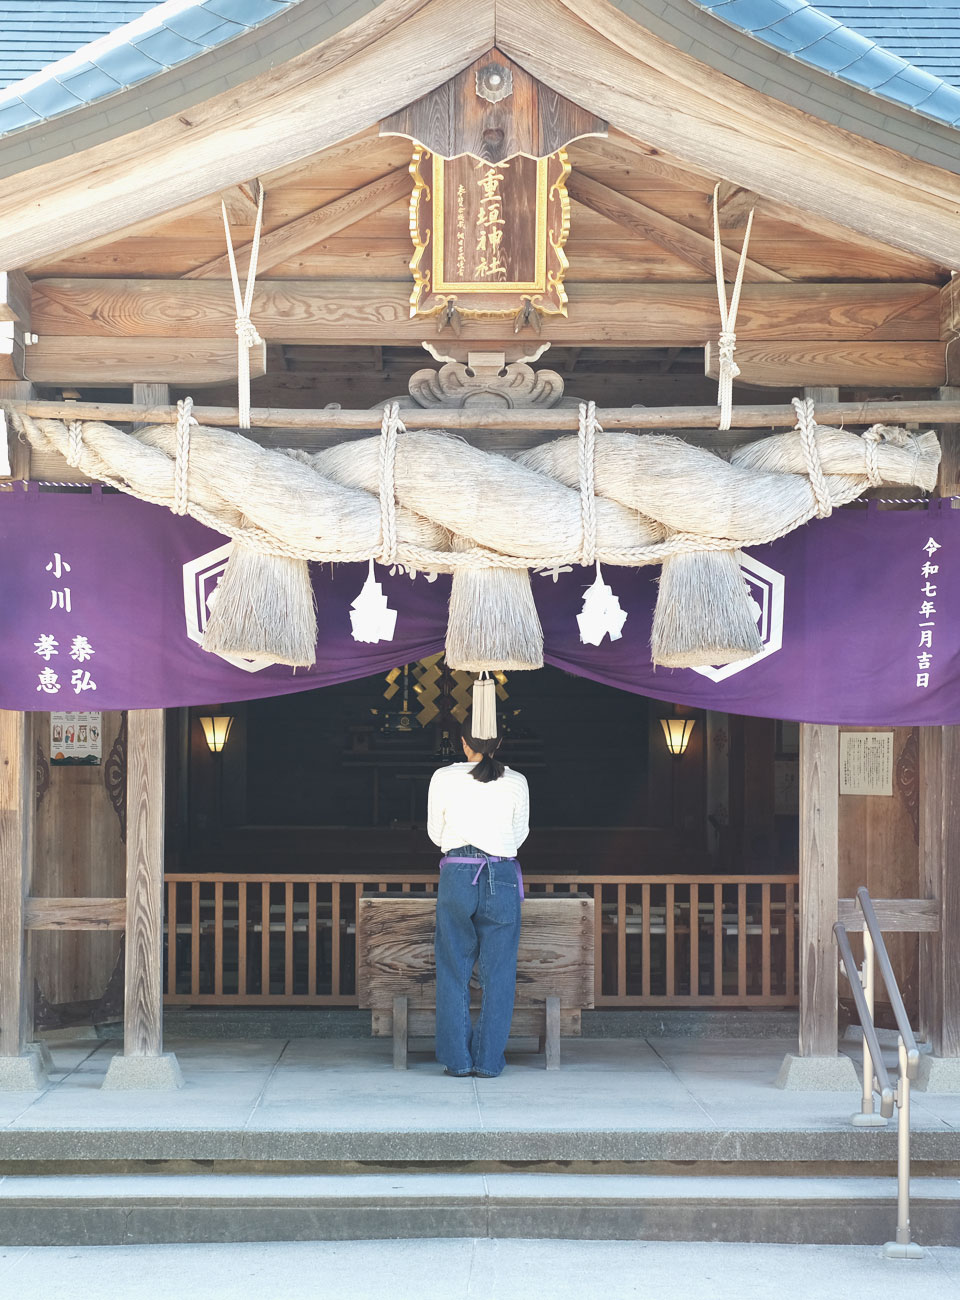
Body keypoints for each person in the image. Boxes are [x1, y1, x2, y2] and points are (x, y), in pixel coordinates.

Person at [427, 725, 529, 1078]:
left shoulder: (443, 777)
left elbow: (435, 834)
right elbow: (519, 835)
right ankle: (488, 1061)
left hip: (458, 872)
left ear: (463, 742)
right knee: (499, 972)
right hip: (500, 872)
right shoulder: (517, 781)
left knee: (453, 966)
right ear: (500, 742)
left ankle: (458, 1060)